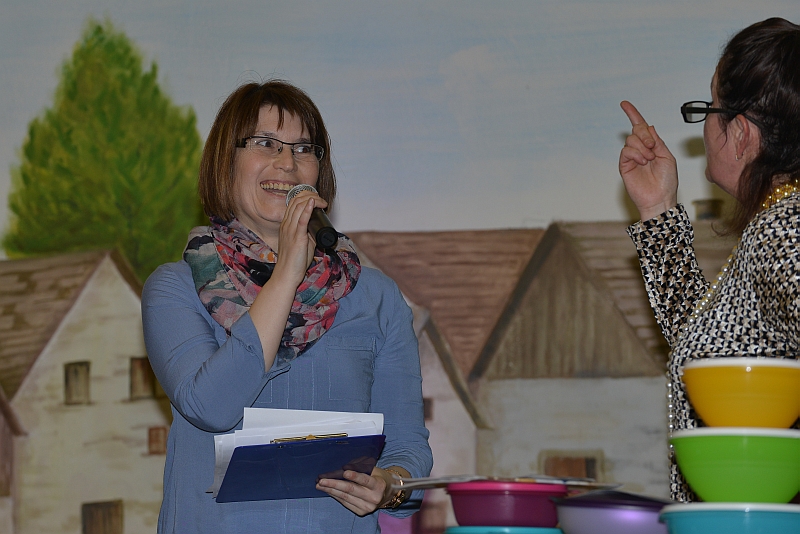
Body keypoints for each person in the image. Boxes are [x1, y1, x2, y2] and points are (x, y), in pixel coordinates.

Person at [142, 79, 433, 533]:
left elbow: (409, 454)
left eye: (303, 148)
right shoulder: (176, 289)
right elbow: (212, 407)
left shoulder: (375, 297)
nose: (287, 162)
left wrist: (387, 486)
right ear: (225, 161)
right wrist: (286, 275)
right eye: (265, 143)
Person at [618, 17, 800, 502]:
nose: (702, 126)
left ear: (740, 133)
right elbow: (714, 360)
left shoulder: (785, 229)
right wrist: (658, 210)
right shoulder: (777, 222)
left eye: (709, 107)